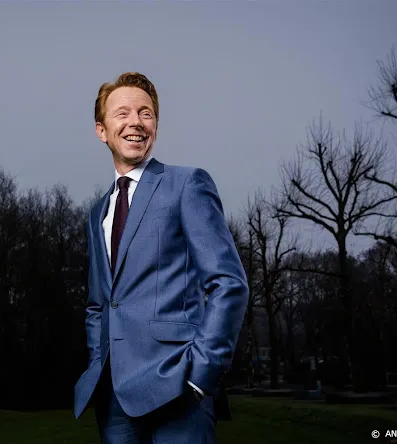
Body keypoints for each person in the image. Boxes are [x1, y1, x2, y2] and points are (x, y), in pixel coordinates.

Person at [74, 72, 249, 443]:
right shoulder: (97, 213)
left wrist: (201, 374)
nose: (136, 121)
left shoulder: (187, 184)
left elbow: (228, 283)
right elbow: (98, 304)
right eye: (122, 113)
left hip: (177, 386)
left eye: (146, 113)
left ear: (155, 125)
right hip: (114, 399)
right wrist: (98, 361)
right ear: (101, 131)